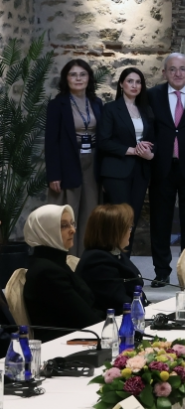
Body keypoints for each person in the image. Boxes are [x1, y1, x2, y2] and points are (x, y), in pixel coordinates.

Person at [147, 52, 185, 286]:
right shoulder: (152, 96)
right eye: (172, 69)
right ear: (164, 72)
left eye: (182, 68)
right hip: (161, 167)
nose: (177, 73)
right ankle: (161, 271)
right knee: (160, 221)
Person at [46, 58, 102, 256]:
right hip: (68, 163)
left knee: (90, 213)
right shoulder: (57, 105)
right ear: (66, 78)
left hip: (92, 162)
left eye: (82, 74)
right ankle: (67, 261)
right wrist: (54, 174)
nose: (78, 78)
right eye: (73, 75)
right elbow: (51, 142)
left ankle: (85, 259)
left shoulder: (96, 103)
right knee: (68, 215)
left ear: (89, 78)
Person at [21, 204, 101, 341]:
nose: (73, 230)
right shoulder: (47, 272)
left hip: (79, 338)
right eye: (64, 226)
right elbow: (86, 320)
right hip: (65, 345)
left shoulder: (55, 262)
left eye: (72, 224)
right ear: (45, 231)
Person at [97, 67, 155, 252]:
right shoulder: (111, 108)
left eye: (138, 82)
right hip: (116, 171)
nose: (134, 85)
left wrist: (150, 154)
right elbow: (103, 141)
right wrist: (131, 150)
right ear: (121, 84)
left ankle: (124, 263)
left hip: (140, 171)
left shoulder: (146, 110)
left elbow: (153, 139)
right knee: (119, 220)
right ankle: (114, 262)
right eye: (130, 81)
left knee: (132, 221)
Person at [75, 203, 142, 313]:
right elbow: (120, 303)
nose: (130, 231)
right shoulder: (97, 261)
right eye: (128, 227)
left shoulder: (114, 253)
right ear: (114, 231)